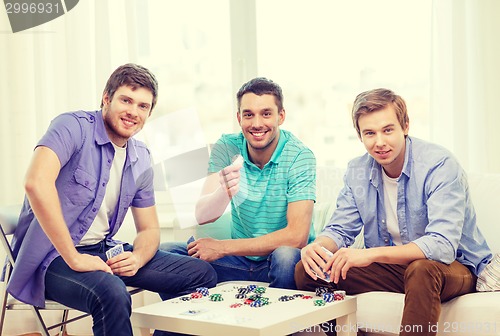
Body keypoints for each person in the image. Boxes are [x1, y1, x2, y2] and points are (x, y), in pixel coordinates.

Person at [7, 63, 217, 336]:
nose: (133, 112)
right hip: (51, 258)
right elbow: (36, 183)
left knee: (201, 275)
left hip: (102, 251)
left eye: (143, 106)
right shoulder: (72, 126)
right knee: (113, 293)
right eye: (126, 100)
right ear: (106, 97)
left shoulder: (140, 157)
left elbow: (149, 228)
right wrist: (75, 258)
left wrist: (138, 258)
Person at [295, 88, 492, 336]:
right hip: (396, 270)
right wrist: (319, 247)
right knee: (307, 271)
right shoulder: (357, 171)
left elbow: (442, 245)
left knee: (421, 270)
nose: (379, 142)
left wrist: (370, 255)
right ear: (360, 135)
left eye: (388, 130)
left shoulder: (439, 164)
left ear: (405, 126)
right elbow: (340, 229)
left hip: (452, 268)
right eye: (370, 133)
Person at [161, 77, 316, 289]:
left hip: (278, 262)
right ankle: (199, 318)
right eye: (248, 114)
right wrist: (223, 192)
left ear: (281, 116)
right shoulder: (228, 146)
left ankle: (274, 320)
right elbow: (202, 215)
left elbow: (297, 237)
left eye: (266, 114)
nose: (257, 124)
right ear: (239, 117)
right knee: (167, 253)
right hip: (238, 262)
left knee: (286, 256)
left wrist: (223, 247)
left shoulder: (300, 156)